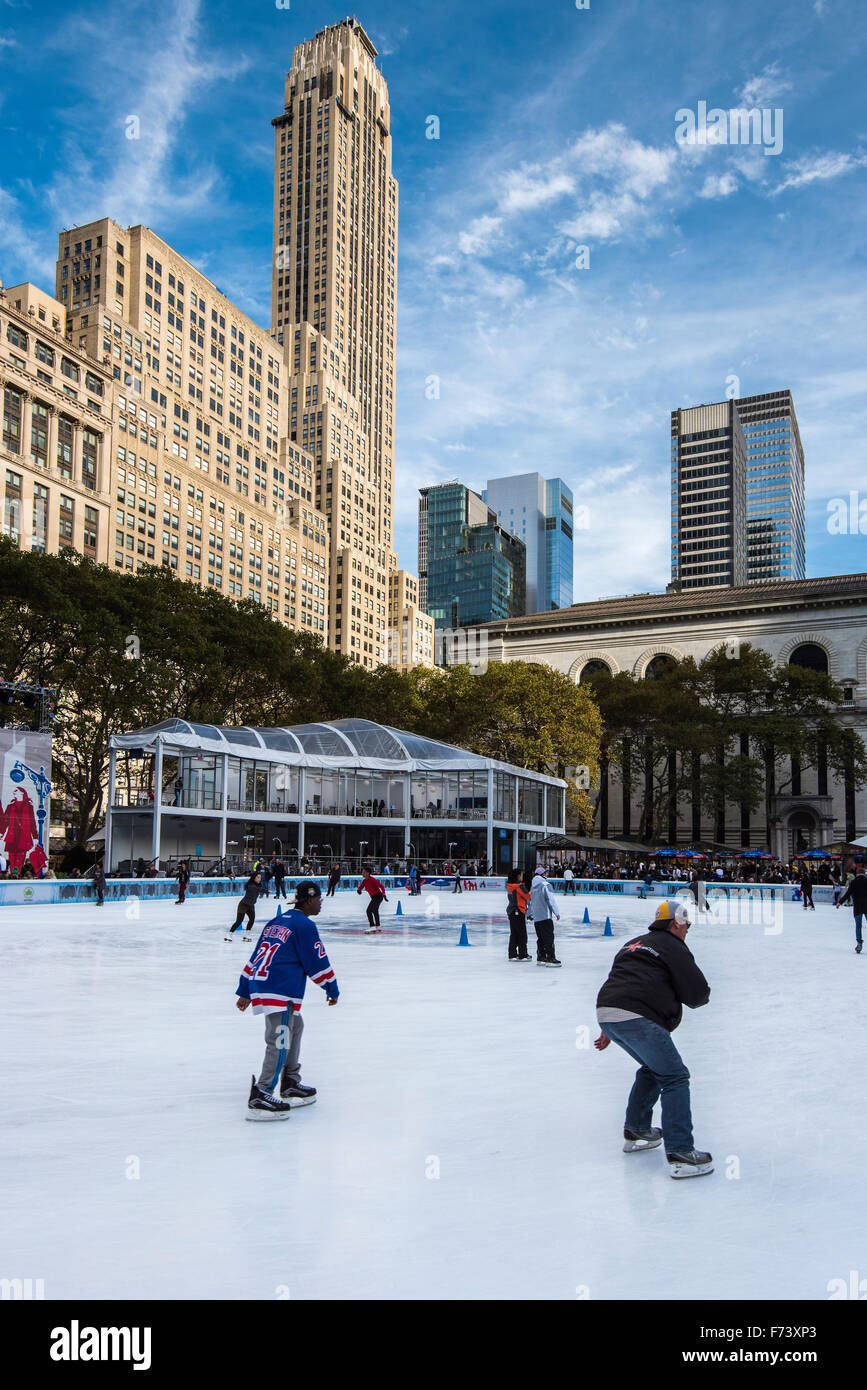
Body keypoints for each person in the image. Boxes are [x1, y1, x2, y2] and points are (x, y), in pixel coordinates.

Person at [594, 898, 712, 1178]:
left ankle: (638, 1131)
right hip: (637, 1015)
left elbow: (622, 981)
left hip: (607, 1012)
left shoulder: (634, 943)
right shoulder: (673, 946)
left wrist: (609, 1024)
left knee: (654, 1068)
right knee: (674, 1076)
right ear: (676, 923)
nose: (687, 930)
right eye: (687, 925)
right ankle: (681, 1152)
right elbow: (698, 994)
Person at [235, 880, 339, 1120]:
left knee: (296, 1026)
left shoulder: (277, 921)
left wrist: (245, 989)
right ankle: (262, 1093)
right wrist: (331, 988)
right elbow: (316, 961)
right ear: (309, 899)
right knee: (280, 1038)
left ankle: (291, 1080)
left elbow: (256, 956)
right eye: (319, 899)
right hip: (279, 988)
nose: (321, 903)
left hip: (264, 983)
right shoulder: (304, 925)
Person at [530, 864, 561, 966]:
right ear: (542, 874)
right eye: (545, 872)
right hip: (545, 916)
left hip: (537, 918)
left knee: (541, 938)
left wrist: (530, 913)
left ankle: (541, 956)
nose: (547, 874)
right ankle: (550, 957)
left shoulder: (533, 886)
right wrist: (556, 912)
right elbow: (550, 900)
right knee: (548, 937)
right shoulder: (545, 885)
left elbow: (531, 901)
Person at [836, 866, 867, 953]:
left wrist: (840, 902)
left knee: (858, 926)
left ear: (857, 874)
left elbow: (847, 894)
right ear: (864, 873)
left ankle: (859, 943)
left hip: (857, 907)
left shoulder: (853, 882)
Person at [227, 871, 263, 938]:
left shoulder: (259, 885)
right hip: (243, 905)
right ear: (254, 878)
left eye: (260, 877)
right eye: (258, 877)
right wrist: (265, 890)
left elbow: (259, 889)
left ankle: (246, 935)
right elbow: (256, 889)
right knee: (239, 921)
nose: (259, 879)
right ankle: (229, 935)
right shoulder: (250, 885)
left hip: (251, 905)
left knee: (252, 920)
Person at [506, 867, 530, 961]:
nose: (522, 876)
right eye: (521, 875)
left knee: (514, 933)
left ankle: (512, 954)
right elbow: (527, 896)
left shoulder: (510, 885)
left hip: (511, 911)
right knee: (522, 934)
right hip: (519, 911)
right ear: (518, 876)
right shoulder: (519, 886)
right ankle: (523, 954)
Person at [357, 868, 387, 932]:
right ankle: (378, 926)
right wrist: (359, 890)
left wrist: (384, 894)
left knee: (369, 910)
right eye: (362, 872)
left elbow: (382, 886)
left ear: (367, 873)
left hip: (378, 896)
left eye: (364, 872)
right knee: (375, 910)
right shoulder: (364, 881)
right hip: (374, 897)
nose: (362, 873)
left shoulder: (373, 880)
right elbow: (361, 886)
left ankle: (372, 926)